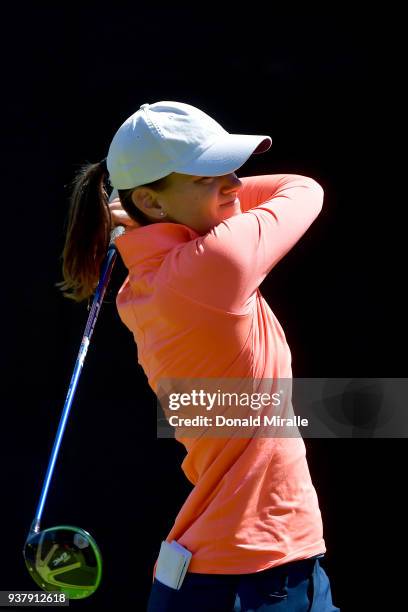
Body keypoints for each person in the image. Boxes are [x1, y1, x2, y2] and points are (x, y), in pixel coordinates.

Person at [58, 101, 340, 611]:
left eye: (231, 169)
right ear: (150, 199)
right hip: (255, 576)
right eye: (209, 176)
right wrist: (148, 210)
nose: (233, 185)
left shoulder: (138, 289)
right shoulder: (215, 264)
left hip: (220, 571)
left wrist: (153, 211)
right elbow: (303, 189)